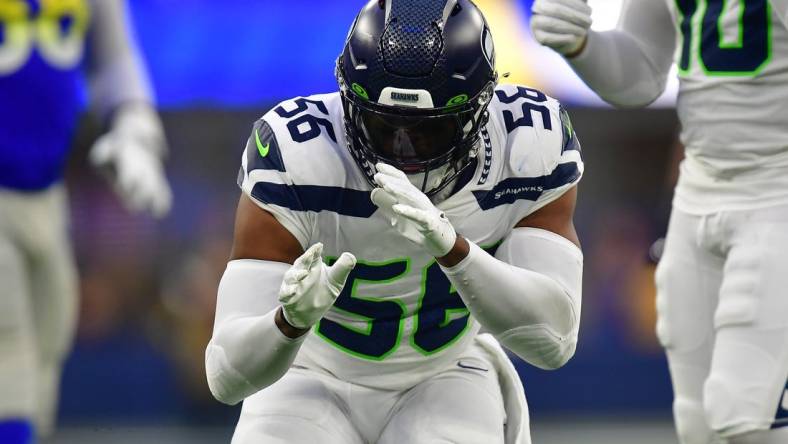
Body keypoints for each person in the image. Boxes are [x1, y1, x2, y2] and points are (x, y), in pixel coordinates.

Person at [206, 1, 584, 443]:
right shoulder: (297, 154)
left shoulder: (526, 144)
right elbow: (225, 378)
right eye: (383, 126)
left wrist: (454, 250)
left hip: (446, 372)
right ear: (349, 103)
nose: (403, 153)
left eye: (429, 131)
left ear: (481, 110)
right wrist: (289, 322)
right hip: (309, 371)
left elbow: (553, 341)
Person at [531, 1, 788, 443]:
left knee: (748, 414)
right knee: (698, 422)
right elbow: (645, 68)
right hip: (699, 189)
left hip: (777, 193)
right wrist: (583, 46)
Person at [0, 1, 171, 442]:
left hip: (45, 193)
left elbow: (114, 59)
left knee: (47, 344)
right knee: (7, 342)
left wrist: (135, 132)